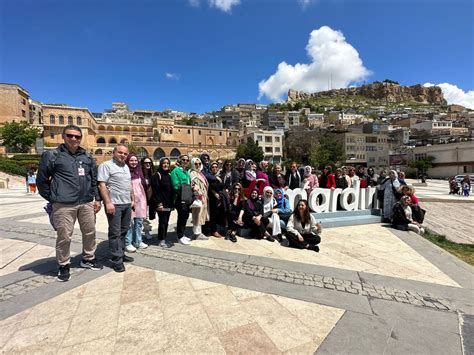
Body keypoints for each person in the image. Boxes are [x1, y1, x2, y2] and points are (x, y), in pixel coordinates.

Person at [37, 124, 103, 281]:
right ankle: (64, 264)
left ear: (81, 138)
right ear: (63, 136)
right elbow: (41, 181)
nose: (74, 138)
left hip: (86, 202)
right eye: (70, 135)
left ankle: (88, 258)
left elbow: (93, 179)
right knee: (64, 236)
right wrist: (54, 198)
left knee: (90, 232)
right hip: (63, 204)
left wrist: (97, 199)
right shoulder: (52, 155)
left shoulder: (86, 157)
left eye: (77, 136)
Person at [98, 144, 135, 273]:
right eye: (120, 152)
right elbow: (102, 185)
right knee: (115, 233)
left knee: (124, 231)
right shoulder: (106, 165)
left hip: (126, 204)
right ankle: (116, 260)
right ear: (114, 152)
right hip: (115, 204)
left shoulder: (125, 166)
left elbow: (128, 185)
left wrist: (132, 199)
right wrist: (108, 202)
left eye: (125, 153)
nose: (122, 155)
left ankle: (121, 253)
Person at [124, 153, 148, 252]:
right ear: (127, 161)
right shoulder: (125, 172)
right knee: (129, 222)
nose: (134, 162)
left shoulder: (139, 171)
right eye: (131, 160)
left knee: (139, 222)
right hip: (130, 200)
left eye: (135, 160)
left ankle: (138, 241)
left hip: (140, 199)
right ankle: (127, 243)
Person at [151, 157, 174, 248]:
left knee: (166, 221)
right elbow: (155, 190)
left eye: (167, 163)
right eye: (164, 163)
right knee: (162, 222)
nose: (166, 165)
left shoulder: (169, 175)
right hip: (161, 203)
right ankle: (161, 240)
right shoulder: (157, 175)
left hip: (168, 203)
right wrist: (159, 203)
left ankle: (164, 238)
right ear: (161, 164)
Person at [170, 154, 192, 245]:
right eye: (183, 160)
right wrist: (188, 187)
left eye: (187, 160)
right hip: (179, 198)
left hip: (186, 197)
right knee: (182, 217)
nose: (185, 161)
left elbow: (188, 183)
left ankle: (182, 234)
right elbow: (175, 186)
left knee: (185, 216)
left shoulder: (186, 171)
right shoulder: (176, 171)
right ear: (180, 160)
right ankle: (179, 236)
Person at [208, 161, 230, 238]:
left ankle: (219, 229)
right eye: (213, 167)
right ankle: (213, 231)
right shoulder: (209, 177)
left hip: (220, 198)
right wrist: (214, 193)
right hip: (212, 198)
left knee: (220, 214)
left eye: (216, 167)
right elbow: (209, 187)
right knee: (213, 214)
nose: (214, 168)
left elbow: (223, 186)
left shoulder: (220, 176)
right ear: (210, 169)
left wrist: (224, 192)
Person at [190, 157, 210, 240]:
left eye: (199, 164)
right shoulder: (193, 173)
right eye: (196, 164)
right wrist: (199, 195)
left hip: (203, 197)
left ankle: (198, 232)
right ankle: (197, 234)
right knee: (197, 215)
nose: (198, 165)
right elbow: (194, 185)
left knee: (200, 215)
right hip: (198, 197)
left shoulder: (200, 173)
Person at [141, 157, 155, 240]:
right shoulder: (139, 175)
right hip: (140, 199)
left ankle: (147, 231)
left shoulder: (152, 175)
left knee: (146, 216)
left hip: (149, 199)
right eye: (146, 163)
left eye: (149, 162)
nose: (148, 164)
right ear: (142, 164)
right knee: (140, 217)